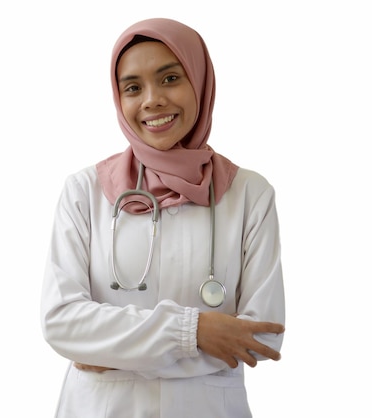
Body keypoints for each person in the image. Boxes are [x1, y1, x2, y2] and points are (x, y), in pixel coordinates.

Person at [40, 17, 286, 417]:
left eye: (170, 78)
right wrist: (197, 332)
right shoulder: (84, 192)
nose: (151, 99)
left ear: (200, 82)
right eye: (133, 87)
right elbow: (62, 322)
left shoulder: (249, 194)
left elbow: (261, 337)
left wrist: (113, 348)